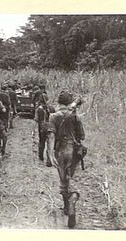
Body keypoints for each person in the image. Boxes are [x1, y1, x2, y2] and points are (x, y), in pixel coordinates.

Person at [46, 91, 85, 228]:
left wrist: (50, 154)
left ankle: (67, 205)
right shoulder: (75, 117)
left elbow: (51, 136)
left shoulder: (53, 116)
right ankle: (73, 198)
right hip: (74, 150)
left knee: (63, 178)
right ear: (69, 103)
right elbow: (82, 135)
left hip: (61, 150)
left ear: (58, 102)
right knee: (72, 176)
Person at [32, 93, 55, 164]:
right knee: (50, 144)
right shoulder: (52, 108)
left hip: (42, 128)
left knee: (41, 142)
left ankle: (41, 157)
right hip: (51, 127)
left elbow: (36, 120)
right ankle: (49, 160)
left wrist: (33, 130)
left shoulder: (38, 109)